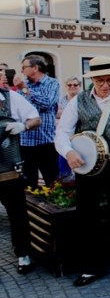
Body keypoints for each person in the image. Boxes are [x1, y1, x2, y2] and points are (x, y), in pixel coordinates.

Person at [54, 55, 110, 287]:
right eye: (99, 81)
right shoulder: (79, 100)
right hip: (86, 168)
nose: (105, 86)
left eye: (109, 80)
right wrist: (68, 152)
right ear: (92, 79)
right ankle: (91, 267)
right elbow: (62, 132)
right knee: (87, 216)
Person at [0, 86, 41, 274]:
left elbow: (36, 119)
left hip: (8, 169)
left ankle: (23, 254)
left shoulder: (10, 97)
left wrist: (23, 126)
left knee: (17, 214)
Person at [13, 54, 59, 189]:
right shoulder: (24, 86)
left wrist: (25, 90)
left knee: (52, 181)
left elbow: (47, 102)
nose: (21, 71)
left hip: (45, 141)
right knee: (29, 184)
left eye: (24, 67)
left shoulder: (52, 83)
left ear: (35, 68)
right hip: (26, 141)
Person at [56, 76, 82, 180]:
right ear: (65, 87)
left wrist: (63, 114)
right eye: (69, 85)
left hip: (80, 137)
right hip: (65, 137)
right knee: (64, 165)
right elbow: (56, 114)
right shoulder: (61, 100)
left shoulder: (83, 100)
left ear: (79, 86)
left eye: (75, 85)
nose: (72, 87)